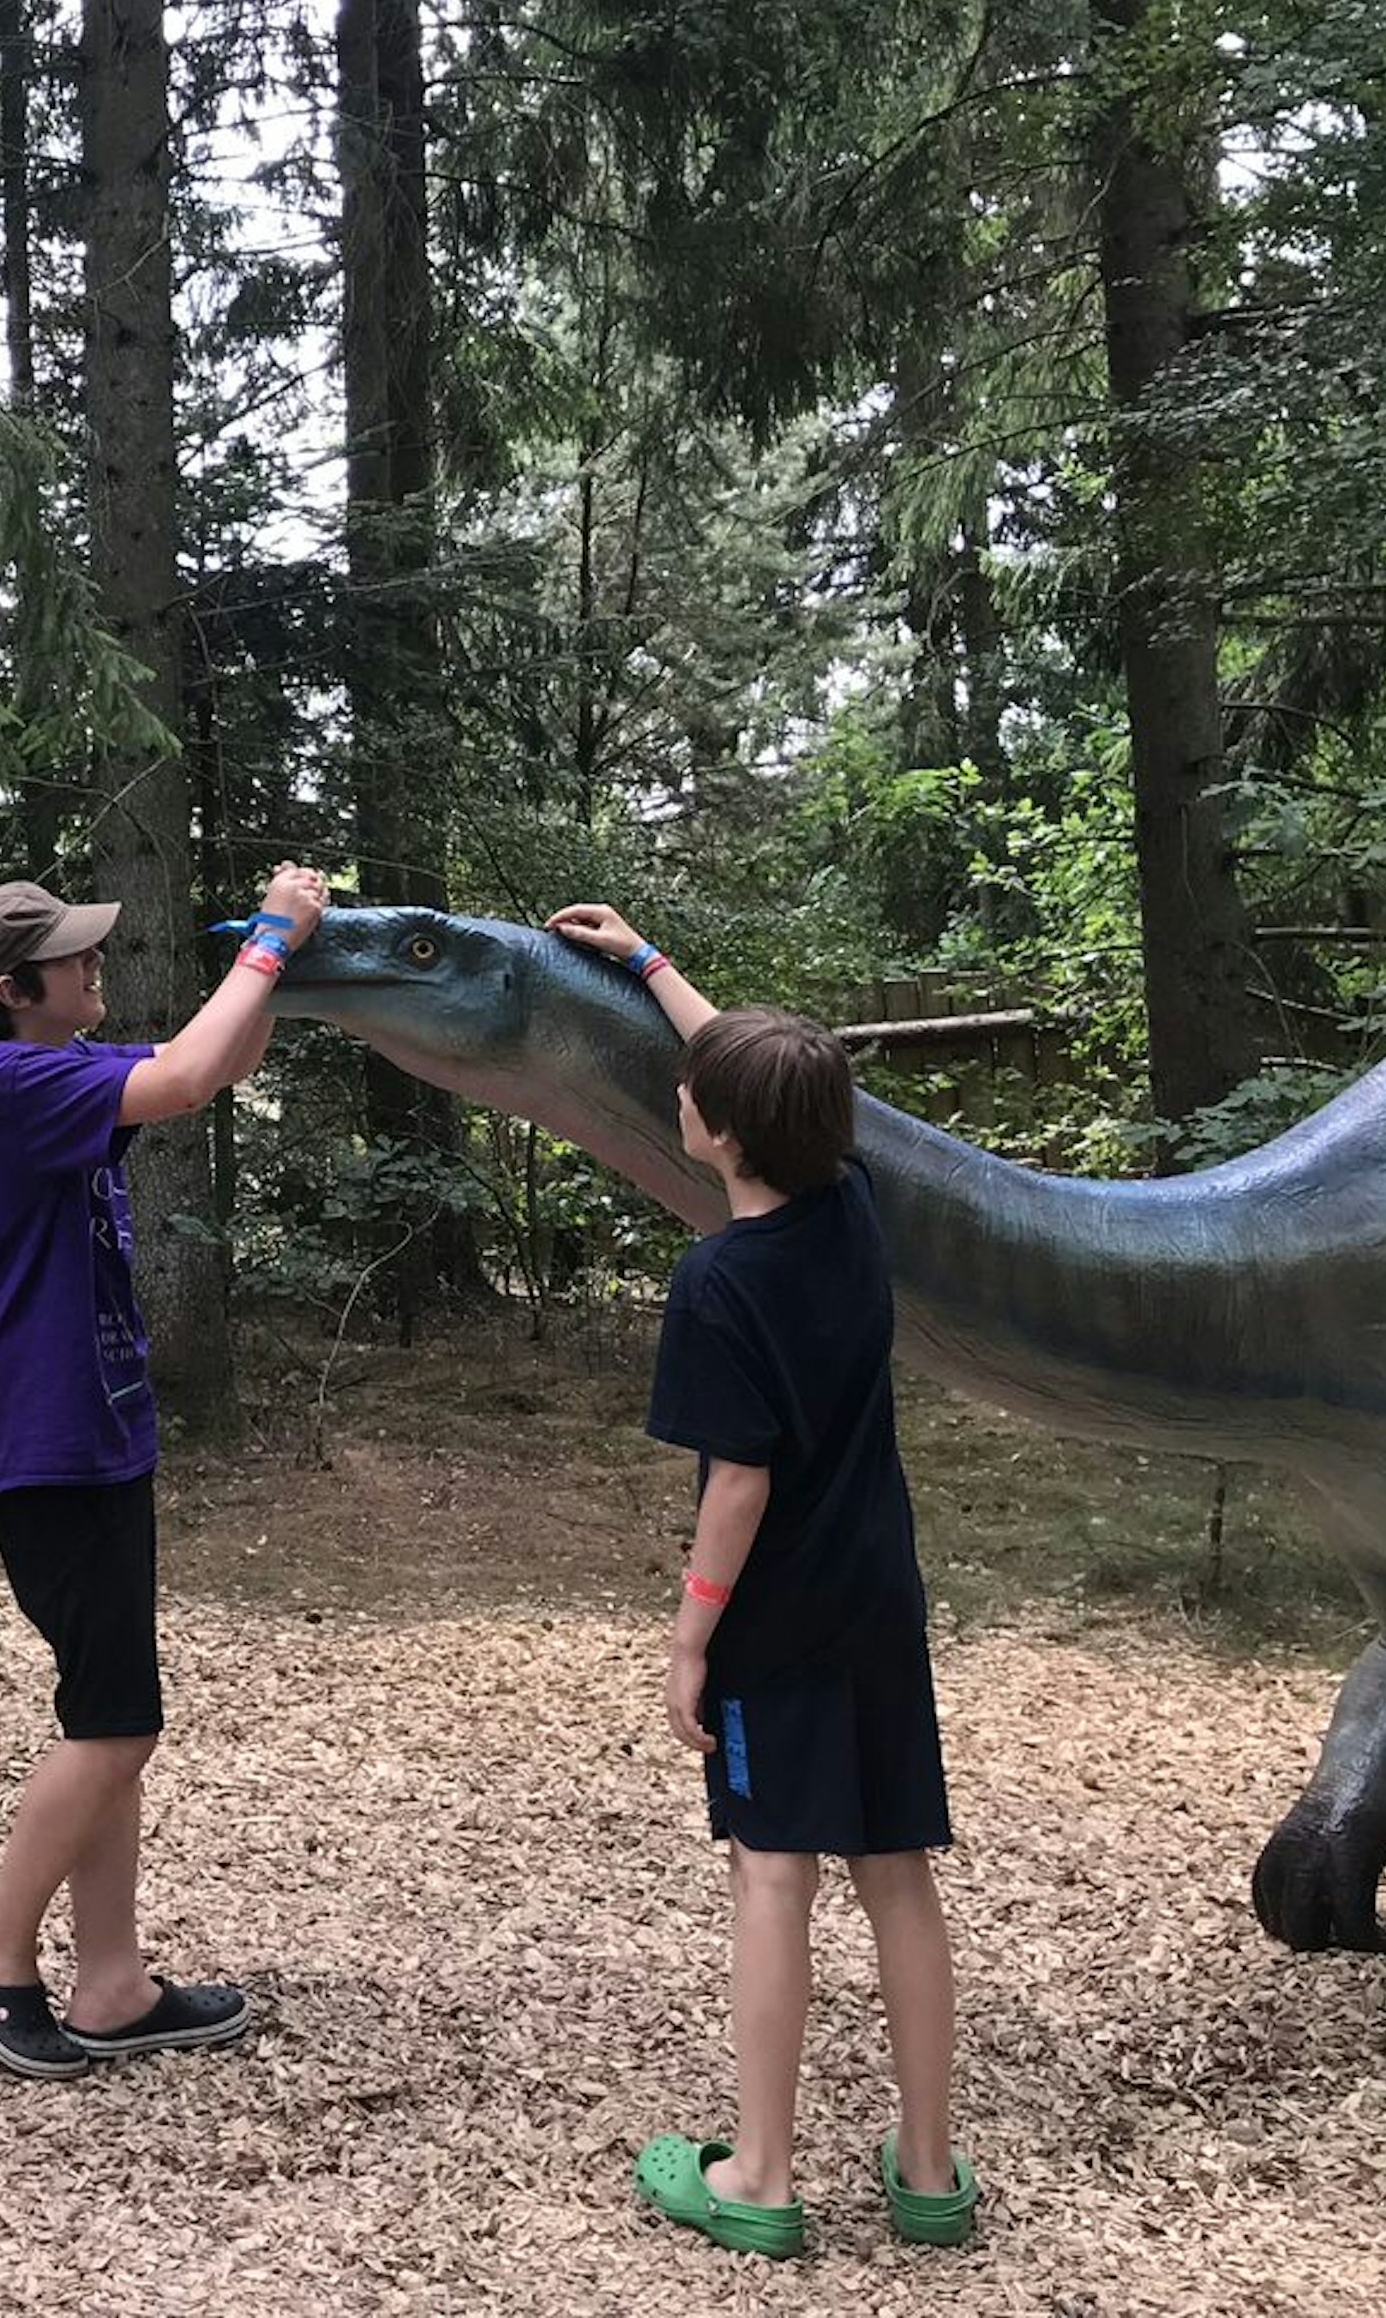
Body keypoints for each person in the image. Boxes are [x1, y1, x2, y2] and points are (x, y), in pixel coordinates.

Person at [543, 902, 977, 2258]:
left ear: (713, 1131)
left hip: (777, 1624)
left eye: (698, 1092)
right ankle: (925, 2171)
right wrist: (654, 965)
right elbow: (765, 1083)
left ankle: (763, 2181)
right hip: (879, 1601)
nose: (688, 1092)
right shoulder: (852, 1210)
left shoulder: (721, 1282)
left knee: (773, 1875)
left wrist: (689, 1641)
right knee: (896, 1869)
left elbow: (737, 1487)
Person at [0, 863, 325, 2080]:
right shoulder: (6, 1081)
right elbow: (196, 1071)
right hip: (48, 1443)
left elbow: (220, 1065)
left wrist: (286, 960)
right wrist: (267, 939)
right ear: (13, 990)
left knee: (109, 1715)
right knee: (114, 1726)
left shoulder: (65, 1067)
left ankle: (112, 1985)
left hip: (94, 1432)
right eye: (72, 955)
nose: (95, 963)